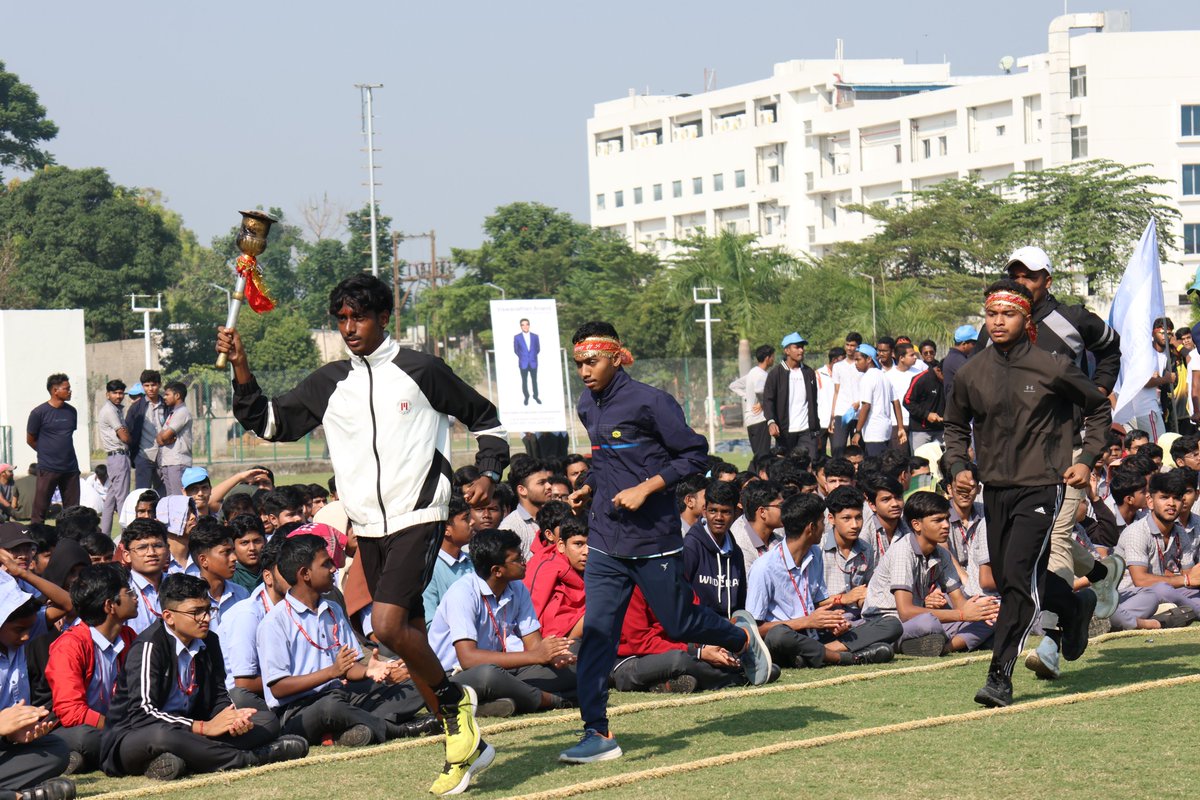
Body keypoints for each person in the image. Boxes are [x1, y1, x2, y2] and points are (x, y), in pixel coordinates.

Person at [219, 273, 507, 795]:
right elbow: (268, 421)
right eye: (342, 319)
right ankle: (464, 747)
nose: (349, 328)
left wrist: (489, 468)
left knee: (387, 624)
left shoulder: (422, 369)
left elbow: (486, 416)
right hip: (367, 526)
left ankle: (455, 701)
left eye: (360, 317)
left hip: (420, 512)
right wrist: (241, 365)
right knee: (405, 632)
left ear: (384, 319)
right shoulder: (329, 381)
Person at [561, 322, 771, 765]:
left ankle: (740, 637)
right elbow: (607, 460)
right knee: (599, 633)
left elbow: (694, 455)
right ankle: (596, 732)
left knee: (678, 624)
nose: (583, 371)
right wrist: (590, 487)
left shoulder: (651, 401)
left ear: (617, 357)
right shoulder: (586, 403)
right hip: (604, 539)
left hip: (652, 539)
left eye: (591, 361)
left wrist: (647, 488)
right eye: (578, 362)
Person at [944, 279, 1112, 708]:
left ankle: (999, 676)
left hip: (1043, 486)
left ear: (1026, 317)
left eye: (1009, 313)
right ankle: (1074, 608)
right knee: (1010, 578)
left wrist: (1086, 458)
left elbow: (1097, 407)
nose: (998, 321)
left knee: (1017, 581)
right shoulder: (970, 372)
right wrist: (960, 466)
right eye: (991, 314)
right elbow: (954, 427)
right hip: (995, 490)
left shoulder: (1052, 366)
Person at [99, 574, 307, 780]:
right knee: (164, 735)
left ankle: (184, 760)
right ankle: (251, 758)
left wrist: (232, 720)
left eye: (208, 610)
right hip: (134, 736)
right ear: (169, 616)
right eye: (196, 612)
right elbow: (142, 714)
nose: (205, 618)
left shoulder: (210, 641)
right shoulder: (149, 647)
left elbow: (218, 696)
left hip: (193, 731)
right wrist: (202, 727)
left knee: (266, 720)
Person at [257, 535, 432, 750]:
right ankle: (396, 729)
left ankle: (353, 728)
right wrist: (331, 672)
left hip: (342, 694)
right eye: (326, 564)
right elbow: (278, 688)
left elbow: (350, 668)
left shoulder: (333, 609)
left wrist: (369, 671)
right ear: (305, 574)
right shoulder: (275, 622)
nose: (334, 569)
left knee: (416, 682)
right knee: (330, 708)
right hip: (298, 710)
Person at [428, 528, 577, 723]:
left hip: (504, 670)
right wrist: (536, 655)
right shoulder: (463, 593)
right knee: (489, 675)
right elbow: (468, 659)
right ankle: (553, 700)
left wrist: (553, 657)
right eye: (517, 559)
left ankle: (493, 702)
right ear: (497, 571)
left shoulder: (517, 588)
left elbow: (534, 645)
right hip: (454, 676)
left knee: (574, 664)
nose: (524, 562)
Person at [746, 492, 899, 669]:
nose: (824, 527)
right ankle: (845, 658)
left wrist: (832, 621)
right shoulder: (764, 567)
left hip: (816, 636)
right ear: (811, 528)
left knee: (892, 624)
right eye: (822, 522)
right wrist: (807, 622)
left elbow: (818, 603)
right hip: (788, 638)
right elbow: (754, 629)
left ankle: (819, 653)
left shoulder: (814, 554)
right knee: (778, 635)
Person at [862, 491, 998, 656]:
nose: (946, 525)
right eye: (938, 520)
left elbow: (959, 603)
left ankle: (943, 647)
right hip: (887, 623)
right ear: (916, 525)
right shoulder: (902, 551)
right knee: (929, 623)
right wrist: (962, 615)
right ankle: (937, 642)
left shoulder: (942, 553)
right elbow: (905, 612)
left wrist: (980, 610)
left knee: (993, 614)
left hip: (917, 619)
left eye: (947, 518)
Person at [44, 564, 138, 774]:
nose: (135, 597)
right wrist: (119, 727)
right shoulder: (70, 645)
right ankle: (140, 753)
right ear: (110, 605)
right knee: (85, 737)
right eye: (129, 592)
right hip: (77, 730)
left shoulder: (129, 637)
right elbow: (71, 713)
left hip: (116, 726)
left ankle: (85, 760)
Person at [0, 578, 75, 799]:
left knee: (57, 750)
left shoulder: (14, 640)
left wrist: (14, 735)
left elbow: (67, 604)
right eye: (18, 630)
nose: (26, 636)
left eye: (30, 629)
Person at [1111, 471, 1200, 630]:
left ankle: (1176, 614)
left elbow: (1189, 578)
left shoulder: (1180, 532)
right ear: (1150, 501)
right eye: (1165, 497)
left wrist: (1188, 580)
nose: (1172, 503)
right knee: (1160, 590)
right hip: (1132, 596)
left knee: (1185, 591)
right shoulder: (1136, 532)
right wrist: (1185, 580)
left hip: (1170, 594)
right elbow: (1141, 581)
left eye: (1177, 498)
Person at [683, 480, 747, 618]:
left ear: (735, 513)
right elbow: (680, 597)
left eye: (725, 512)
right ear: (704, 510)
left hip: (730, 629)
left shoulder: (736, 552)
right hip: (698, 629)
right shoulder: (691, 547)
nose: (719, 517)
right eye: (713, 511)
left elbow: (741, 603)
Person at [26, 374, 80, 525]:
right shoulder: (38, 413)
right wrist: (46, 453)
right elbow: (30, 439)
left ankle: (69, 542)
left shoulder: (71, 412)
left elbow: (66, 438)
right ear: (55, 391)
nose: (70, 391)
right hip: (48, 468)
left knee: (73, 512)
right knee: (40, 511)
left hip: (70, 468)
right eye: (67, 388)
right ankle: (36, 542)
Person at [762, 333, 820, 462]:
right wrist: (771, 422)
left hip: (807, 431)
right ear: (787, 350)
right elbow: (768, 400)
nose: (801, 350)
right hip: (785, 432)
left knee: (810, 465)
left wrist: (816, 429)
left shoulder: (809, 373)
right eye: (797, 347)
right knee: (786, 468)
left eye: (802, 347)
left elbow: (813, 403)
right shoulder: (776, 373)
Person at [820, 486, 876, 620]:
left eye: (858, 517)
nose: (855, 525)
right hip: (826, 620)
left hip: (857, 618)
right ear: (831, 519)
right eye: (846, 518)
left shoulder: (866, 549)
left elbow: (864, 592)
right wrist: (844, 598)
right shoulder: (818, 549)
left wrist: (864, 599)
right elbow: (809, 600)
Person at [422, 496, 474, 626]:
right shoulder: (429, 568)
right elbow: (430, 623)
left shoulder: (473, 561)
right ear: (446, 529)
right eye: (465, 518)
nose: (472, 522)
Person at [849, 345, 906, 457]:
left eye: (858, 359)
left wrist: (858, 431)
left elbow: (866, 406)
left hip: (873, 431)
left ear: (869, 359)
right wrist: (900, 427)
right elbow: (896, 402)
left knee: (875, 467)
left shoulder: (868, 377)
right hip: (886, 429)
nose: (855, 363)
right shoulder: (883, 376)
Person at [121, 519, 169, 634]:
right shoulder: (122, 591)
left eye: (157, 545)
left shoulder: (177, 584)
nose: (151, 553)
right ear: (127, 555)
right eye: (142, 547)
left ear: (168, 550)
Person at [97, 380, 131, 535]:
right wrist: (132, 439)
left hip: (116, 457)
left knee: (110, 500)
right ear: (107, 394)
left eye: (121, 393)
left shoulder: (116, 409)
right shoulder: (110, 410)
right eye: (115, 393)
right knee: (122, 498)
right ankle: (127, 536)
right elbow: (124, 436)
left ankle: (104, 535)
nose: (118, 396)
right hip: (118, 456)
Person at [500, 457, 552, 559]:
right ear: (522, 490)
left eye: (548, 481)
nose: (549, 486)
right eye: (541, 483)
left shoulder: (555, 517)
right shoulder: (510, 528)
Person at [729, 345, 775, 459]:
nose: (774, 359)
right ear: (767, 358)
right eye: (773, 356)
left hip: (750, 419)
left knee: (759, 456)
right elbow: (759, 390)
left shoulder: (752, 373)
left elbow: (733, 386)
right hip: (760, 419)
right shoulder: (762, 375)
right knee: (763, 457)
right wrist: (763, 402)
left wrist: (748, 397)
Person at [126, 370, 166, 494]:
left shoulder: (167, 404)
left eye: (153, 385)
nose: (150, 389)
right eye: (147, 385)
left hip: (165, 456)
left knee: (164, 493)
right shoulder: (136, 407)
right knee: (143, 493)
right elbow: (129, 430)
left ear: (159, 385)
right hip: (143, 456)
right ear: (143, 387)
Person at [730, 479, 784, 570]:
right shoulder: (739, 546)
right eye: (780, 506)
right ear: (762, 512)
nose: (786, 510)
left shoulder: (779, 535)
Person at [885, 343, 921, 451]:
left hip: (916, 423)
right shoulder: (887, 376)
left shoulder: (919, 374)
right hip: (896, 424)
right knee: (900, 458)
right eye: (911, 355)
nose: (915, 357)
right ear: (901, 358)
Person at [904, 359, 945, 450]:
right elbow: (907, 401)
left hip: (941, 430)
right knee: (919, 462)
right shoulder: (921, 378)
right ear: (938, 370)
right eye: (945, 375)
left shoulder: (949, 380)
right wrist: (926, 415)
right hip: (921, 431)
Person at [815, 348, 844, 458]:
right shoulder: (818, 374)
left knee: (837, 454)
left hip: (836, 421)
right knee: (819, 455)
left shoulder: (843, 375)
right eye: (842, 360)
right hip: (821, 421)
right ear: (835, 361)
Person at [229, 514, 267, 592]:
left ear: (265, 541)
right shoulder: (229, 577)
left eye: (257, 541)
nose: (252, 548)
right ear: (233, 546)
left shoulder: (274, 571)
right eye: (244, 543)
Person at [941, 326, 977, 400]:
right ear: (964, 344)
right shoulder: (957, 359)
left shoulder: (956, 357)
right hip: (957, 408)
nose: (974, 346)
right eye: (973, 343)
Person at [515, 318, 541, 406]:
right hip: (523, 363)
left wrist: (532, 356)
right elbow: (516, 350)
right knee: (524, 381)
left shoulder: (535, 336)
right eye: (523, 324)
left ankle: (536, 396)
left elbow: (537, 349)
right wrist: (523, 357)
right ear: (521, 326)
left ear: (529, 325)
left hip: (533, 362)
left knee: (534, 380)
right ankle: (526, 397)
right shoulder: (517, 337)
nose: (525, 326)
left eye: (526, 324)